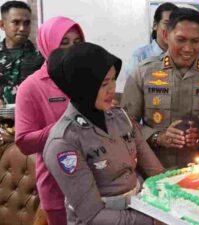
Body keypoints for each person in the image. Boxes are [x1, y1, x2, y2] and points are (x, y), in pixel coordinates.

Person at [43, 42, 164, 224]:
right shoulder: (64, 141)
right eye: (103, 83)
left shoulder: (120, 117)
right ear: (83, 86)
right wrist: (154, 221)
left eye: (114, 79)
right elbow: (93, 216)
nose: (112, 89)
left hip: (139, 209)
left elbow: (157, 173)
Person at [121, 7, 199, 169]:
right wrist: (157, 137)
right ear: (166, 35)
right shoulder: (143, 72)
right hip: (154, 170)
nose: (188, 48)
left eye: (195, 41)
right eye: (181, 40)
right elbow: (125, 124)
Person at [15, 16, 85, 225]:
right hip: (57, 188)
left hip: (96, 183)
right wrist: (66, 125)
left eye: (77, 43)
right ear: (48, 44)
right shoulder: (32, 86)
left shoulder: (89, 77)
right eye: (63, 43)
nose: (71, 49)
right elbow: (24, 142)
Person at [117, 2, 178, 92]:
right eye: (166, 23)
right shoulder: (140, 56)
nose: (171, 28)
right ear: (155, 25)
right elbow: (131, 91)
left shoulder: (181, 56)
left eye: (175, 25)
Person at [0, 0, 43, 105]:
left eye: (27, 23)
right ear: (2, 25)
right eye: (16, 22)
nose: (22, 28)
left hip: (32, 118)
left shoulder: (42, 57)